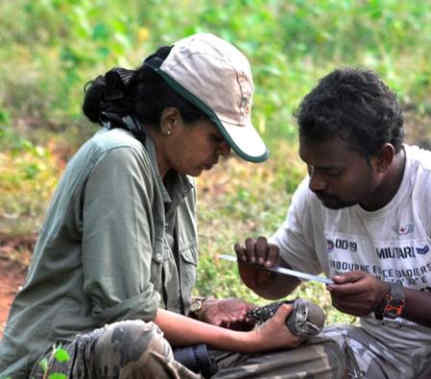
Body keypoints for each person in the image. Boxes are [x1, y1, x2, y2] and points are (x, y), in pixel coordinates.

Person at [0, 33, 344, 379]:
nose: (223, 153)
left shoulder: (180, 176)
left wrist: (203, 310)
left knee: (307, 324)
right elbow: (128, 314)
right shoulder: (119, 158)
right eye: (216, 138)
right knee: (136, 342)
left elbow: (160, 302)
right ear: (171, 121)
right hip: (55, 362)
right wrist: (252, 342)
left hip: (156, 353)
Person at [235, 67, 431, 379]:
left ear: (382, 158)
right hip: (376, 352)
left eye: (331, 171)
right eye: (309, 167)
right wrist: (263, 276)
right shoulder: (318, 199)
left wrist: (388, 299)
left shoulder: (425, 189)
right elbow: (285, 275)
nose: (315, 183)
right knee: (261, 364)